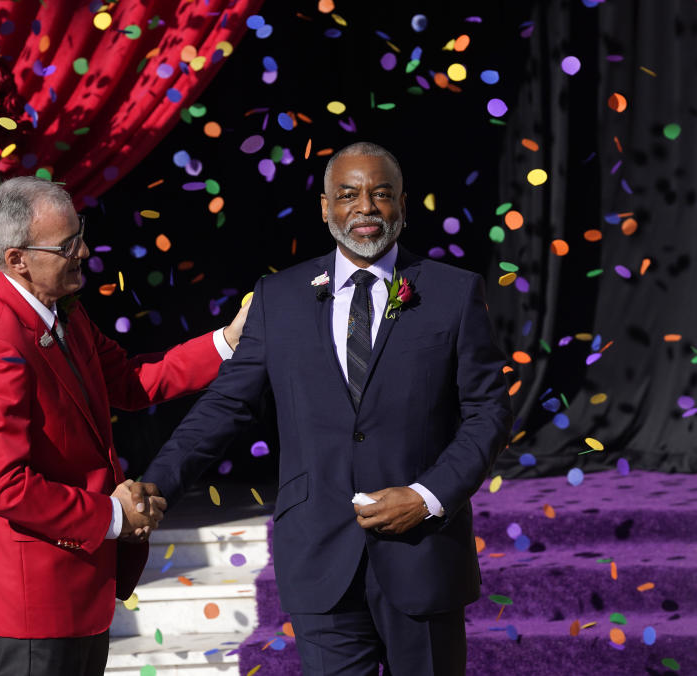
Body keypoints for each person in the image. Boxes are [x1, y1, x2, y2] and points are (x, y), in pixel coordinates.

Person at [142, 142, 513, 675]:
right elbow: (225, 406)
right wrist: (157, 484)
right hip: (318, 555)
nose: (366, 207)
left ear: (403, 205)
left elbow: (489, 413)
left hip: (423, 552)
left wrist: (427, 496)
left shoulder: (453, 293)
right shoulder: (278, 296)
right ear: (324, 207)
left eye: (381, 194)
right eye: (349, 194)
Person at [0, 176, 249, 676]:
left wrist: (228, 340)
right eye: (67, 245)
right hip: (36, 595)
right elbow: (2, 486)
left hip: (80, 580)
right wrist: (111, 517)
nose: (84, 250)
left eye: (79, 233)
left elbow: (130, 381)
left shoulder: (62, 311)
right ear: (16, 259)